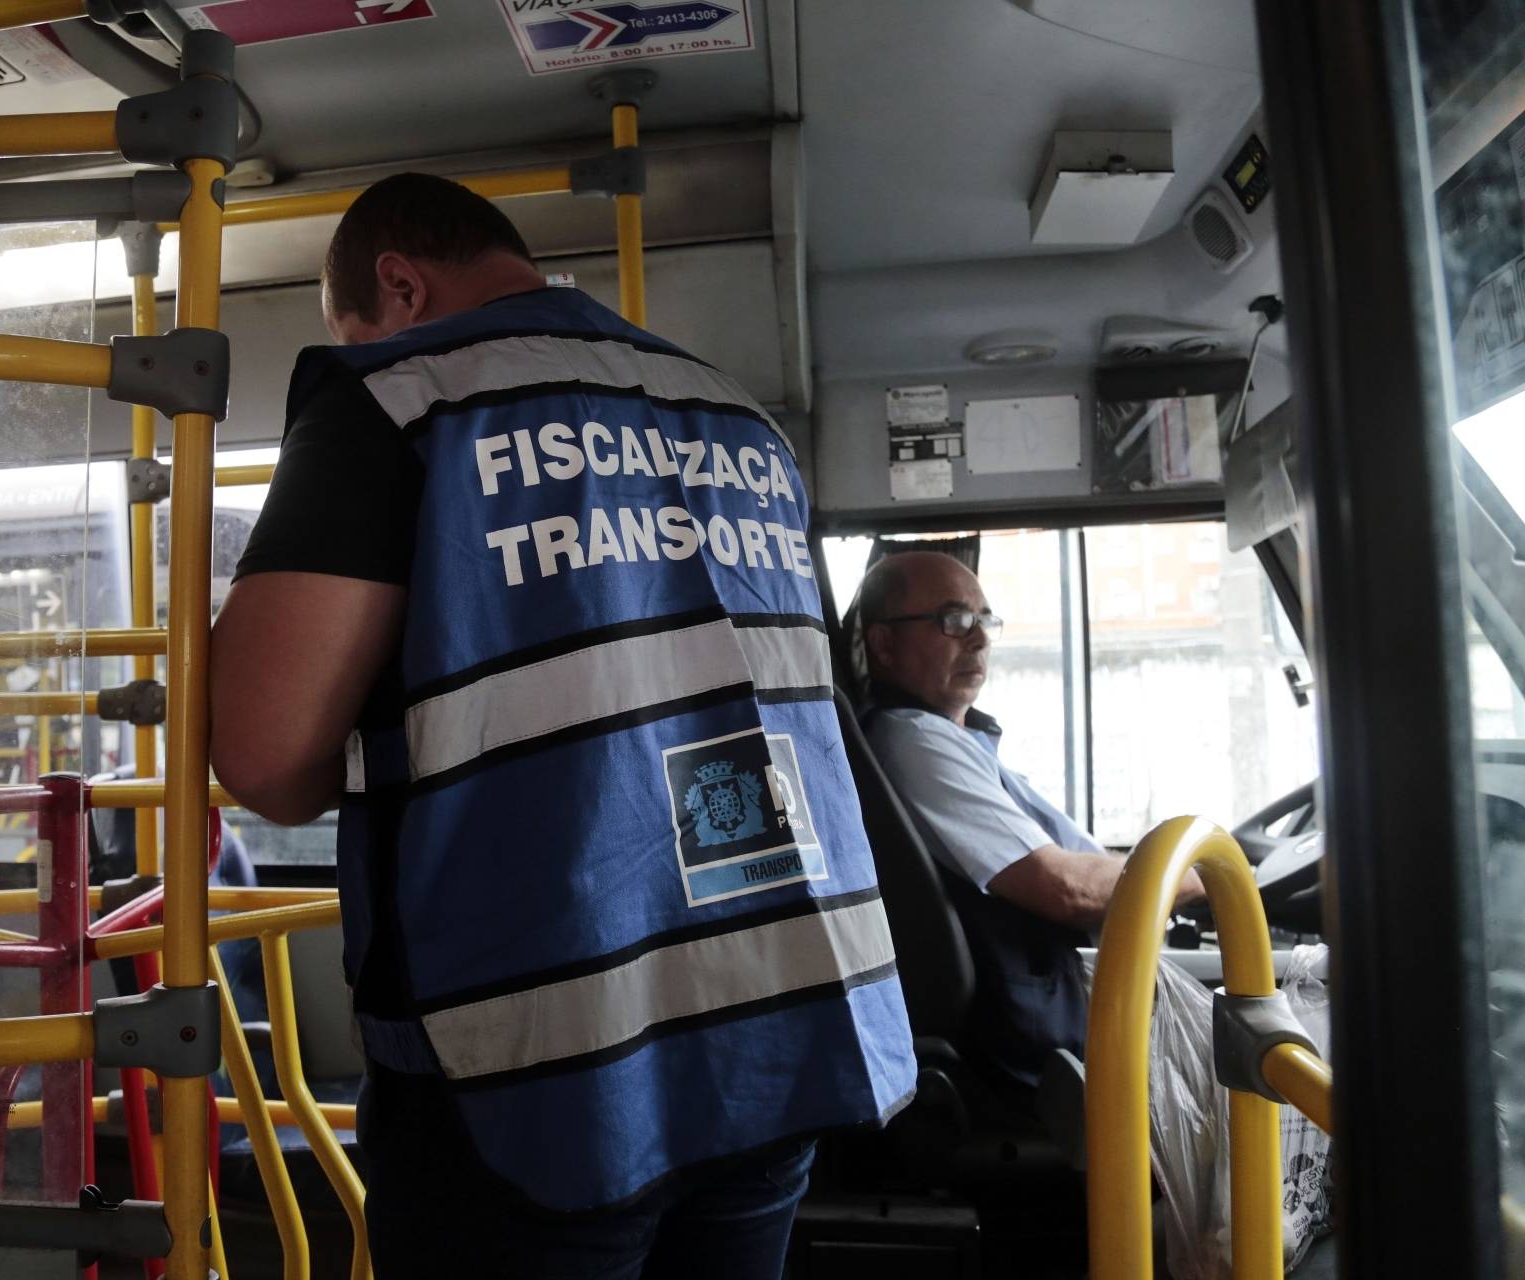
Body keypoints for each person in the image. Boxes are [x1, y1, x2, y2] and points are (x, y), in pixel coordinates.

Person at [208, 172, 915, 1278]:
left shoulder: (399, 396)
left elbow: (264, 758)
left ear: (399, 286)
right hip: (782, 1022)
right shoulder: (739, 418)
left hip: (541, 1064)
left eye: (358, 325)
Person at [856, 550, 1204, 1088]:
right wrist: (1197, 876)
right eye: (954, 620)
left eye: (984, 620)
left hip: (1063, 1010)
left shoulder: (956, 739)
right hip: (1036, 1048)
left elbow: (1078, 867)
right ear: (883, 644)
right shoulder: (915, 741)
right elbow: (1064, 887)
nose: (979, 640)